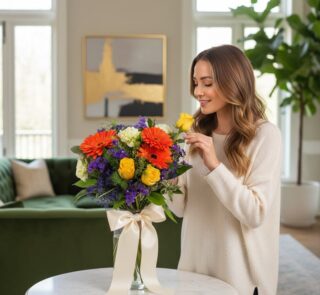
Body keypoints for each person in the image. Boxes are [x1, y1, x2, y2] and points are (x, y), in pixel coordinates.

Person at [168, 45, 282, 295]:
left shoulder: (265, 136)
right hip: (192, 272)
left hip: (240, 278)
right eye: (196, 83)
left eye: (207, 83)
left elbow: (254, 214)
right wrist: (168, 170)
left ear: (233, 82)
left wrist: (214, 166)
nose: (198, 91)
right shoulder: (194, 135)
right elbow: (177, 208)